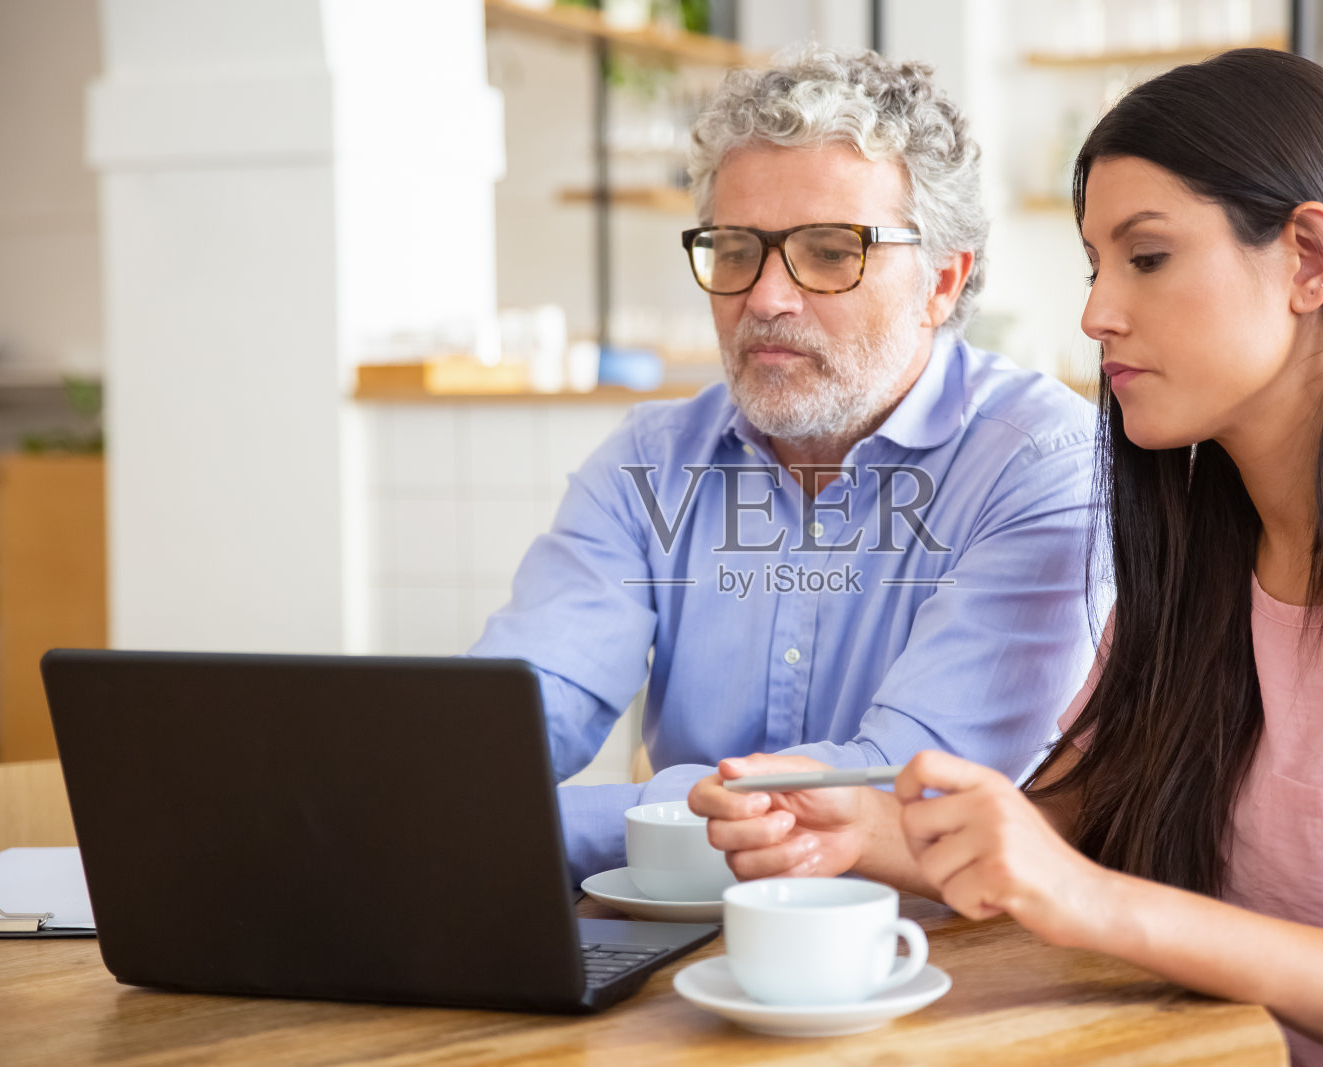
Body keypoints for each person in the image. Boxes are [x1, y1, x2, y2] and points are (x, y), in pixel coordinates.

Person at [692, 48, 1323, 1066]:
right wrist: (846, 822)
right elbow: (1062, 832)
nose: (1095, 313)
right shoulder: (1204, 536)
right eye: (1093, 265)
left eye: (1146, 257)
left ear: (1306, 259)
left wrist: (1093, 901)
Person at [469, 47, 1102, 885]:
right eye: (734, 249)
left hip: (937, 964)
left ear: (942, 284)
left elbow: (892, 793)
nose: (764, 298)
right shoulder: (649, 459)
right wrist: (419, 789)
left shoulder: (1042, 464)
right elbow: (498, 731)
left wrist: (526, 820)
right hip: (676, 940)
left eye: (831, 251)